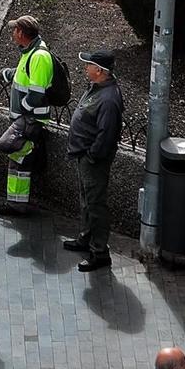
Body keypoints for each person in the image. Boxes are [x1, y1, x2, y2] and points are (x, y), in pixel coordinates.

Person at [0, 14, 57, 214]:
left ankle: (32, 148)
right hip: (25, 118)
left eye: (14, 30)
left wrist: (23, 110)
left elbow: (36, 94)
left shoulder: (40, 56)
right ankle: (15, 203)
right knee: (17, 161)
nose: (12, 33)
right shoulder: (30, 51)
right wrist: (0, 74)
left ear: (21, 33)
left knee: (8, 146)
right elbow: (20, 73)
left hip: (29, 119)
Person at [65, 46, 123, 272]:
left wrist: (91, 156)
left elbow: (107, 134)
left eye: (89, 65)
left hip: (93, 161)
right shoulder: (98, 88)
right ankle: (86, 238)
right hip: (86, 157)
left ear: (99, 70)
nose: (85, 67)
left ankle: (99, 251)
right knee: (86, 199)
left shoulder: (108, 99)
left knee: (95, 204)